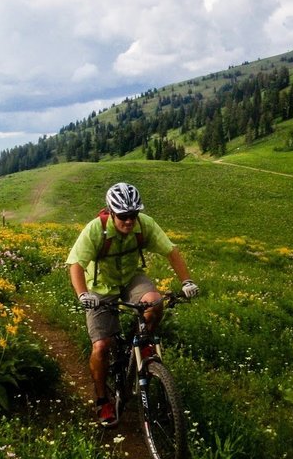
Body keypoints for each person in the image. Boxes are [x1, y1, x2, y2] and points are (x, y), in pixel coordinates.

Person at [66, 182, 199, 427]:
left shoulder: (143, 225)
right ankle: (103, 400)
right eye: (124, 216)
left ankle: (143, 341)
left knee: (154, 303)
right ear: (111, 212)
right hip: (100, 286)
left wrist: (187, 281)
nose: (129, 221)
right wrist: (83, 294)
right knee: (101, 346)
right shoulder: (96, 230)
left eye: (133, 215)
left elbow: (171, 251)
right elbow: (75, 265)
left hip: (130, 278)